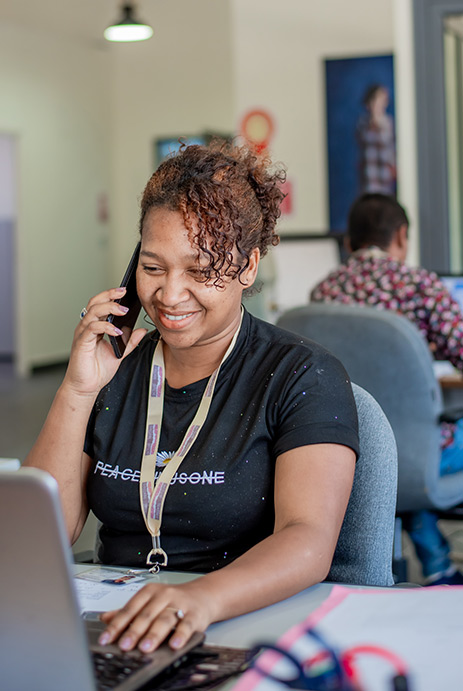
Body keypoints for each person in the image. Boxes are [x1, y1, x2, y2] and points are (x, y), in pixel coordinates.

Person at [25, 140, 358, 654]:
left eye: (199, 270)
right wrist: (77, 388)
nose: (170, 294)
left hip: (234, 622)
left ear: (248, 267)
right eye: (153, 268)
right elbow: (38, 539)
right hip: (116, 623)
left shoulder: (301, 374)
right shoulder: (116, 369)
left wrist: (200, 601)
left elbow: (308, 537)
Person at [311, 192, 463, 586]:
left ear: (349, 243)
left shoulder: (322, 293)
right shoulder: (420, 285)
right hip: (415, 453)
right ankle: (438, 569)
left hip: (348, 451)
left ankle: (436, 564)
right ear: (401, 235)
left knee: (407, 452)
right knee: (428, 438)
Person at [356, 84, 396, 196]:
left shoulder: (389, 123)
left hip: (385, 183)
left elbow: (389, 146)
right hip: (368, 183)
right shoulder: (362, 123)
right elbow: (365, 138)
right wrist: (374, 120)